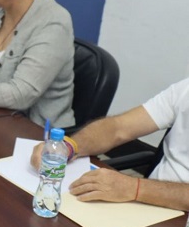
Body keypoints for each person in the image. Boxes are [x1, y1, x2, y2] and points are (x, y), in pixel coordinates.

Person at [29, 79, 189, 210]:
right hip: (147, 206)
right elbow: (117, 128)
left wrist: (135, 188)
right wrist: (68, 146)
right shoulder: (184, 89)